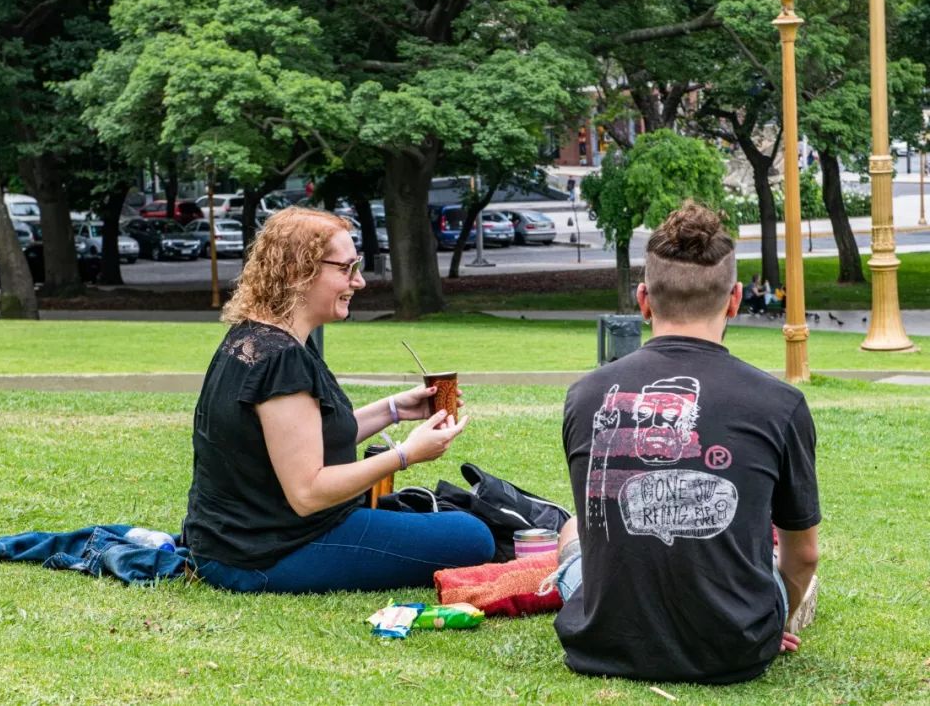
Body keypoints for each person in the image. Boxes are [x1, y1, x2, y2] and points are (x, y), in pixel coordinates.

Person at [553, 201, 820, 684]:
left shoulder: (585, 395)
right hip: (734, 648)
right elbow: (803, 556)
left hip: (602, 642)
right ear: (735, 299)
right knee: (780, 564)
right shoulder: (780, 404)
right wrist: (767, 623)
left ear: (643, 300)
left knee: (573, 531)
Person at [183, 207, 495, 593]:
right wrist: (405, 455)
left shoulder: (254, 338)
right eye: (347, 269)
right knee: (472, 536)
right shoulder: (281, 359)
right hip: (266, 554)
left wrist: (393, 410)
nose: (359, 281)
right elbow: (308, 493)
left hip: (231, 543)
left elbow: (305, 438)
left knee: (456, 521)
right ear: (298, 272)